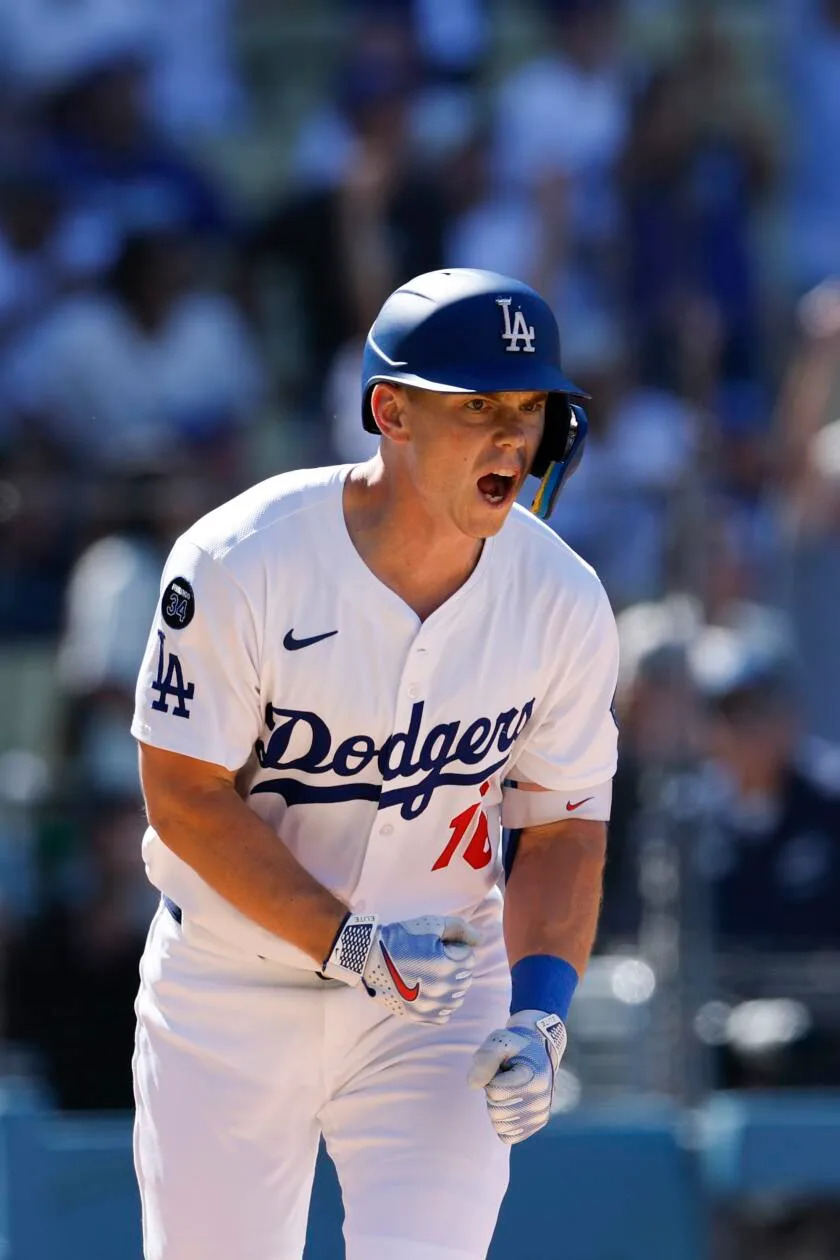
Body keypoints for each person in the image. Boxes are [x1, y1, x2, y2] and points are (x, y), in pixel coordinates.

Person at [131, 268, 619, 1260]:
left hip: (438, 999)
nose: (511, 436)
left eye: (530, 407)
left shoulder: (561, 597)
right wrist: (349, 941)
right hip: (234, 982)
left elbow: (564, 825)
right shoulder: (239, 559)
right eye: (476, 403)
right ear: (389, 411)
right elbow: (183, 798)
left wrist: (541, 1014)